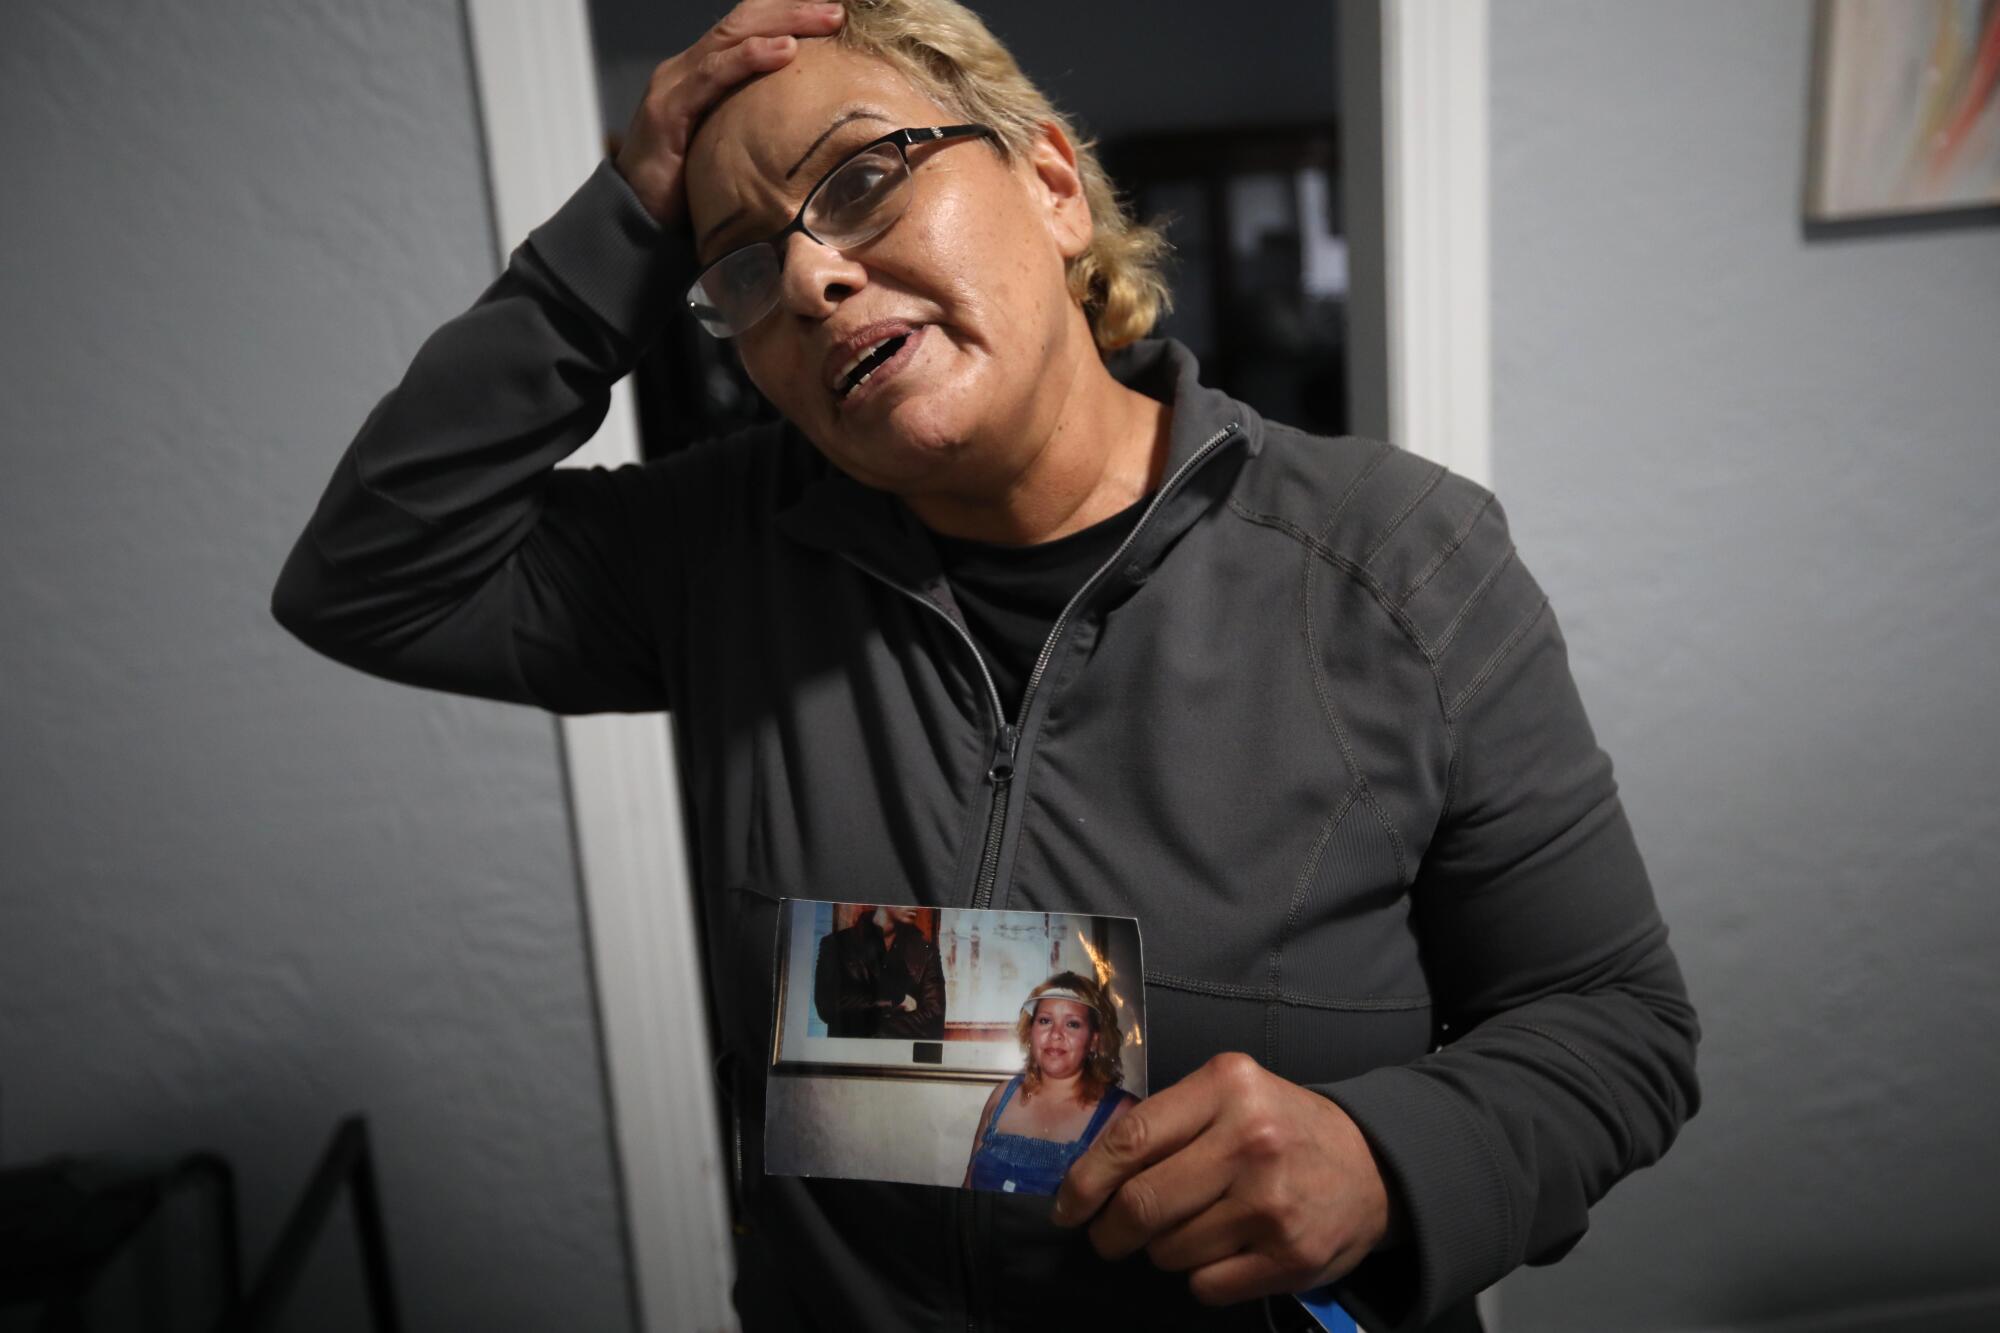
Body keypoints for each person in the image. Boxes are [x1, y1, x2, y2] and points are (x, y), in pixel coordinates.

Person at [270, 1, 1700, 1328]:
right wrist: (616, 229)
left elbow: (1615, 1026)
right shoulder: (720, 551)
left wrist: (1391, 1161)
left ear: (1053, 188)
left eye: (864, 179)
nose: (818, 275)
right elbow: (371, 573)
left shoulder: (1398, 560)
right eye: (746, 268)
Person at [964, 972, 1138, 1196]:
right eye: (1045, 1021)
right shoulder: (1002, 1095)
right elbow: (967, 1188)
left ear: (1094, 1041)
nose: (1056, 1034)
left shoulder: (1125, 1115)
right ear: (1030, 1032)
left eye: (1073, 1024)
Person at [811, 903, 945, 1038]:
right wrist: (894, 1002)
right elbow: (827, 1006)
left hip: (900, 1054)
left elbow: (934, 1015)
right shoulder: (836, 944)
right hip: (849, 1054)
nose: (914, 905)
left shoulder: (927, 951)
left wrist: (873, 1030)